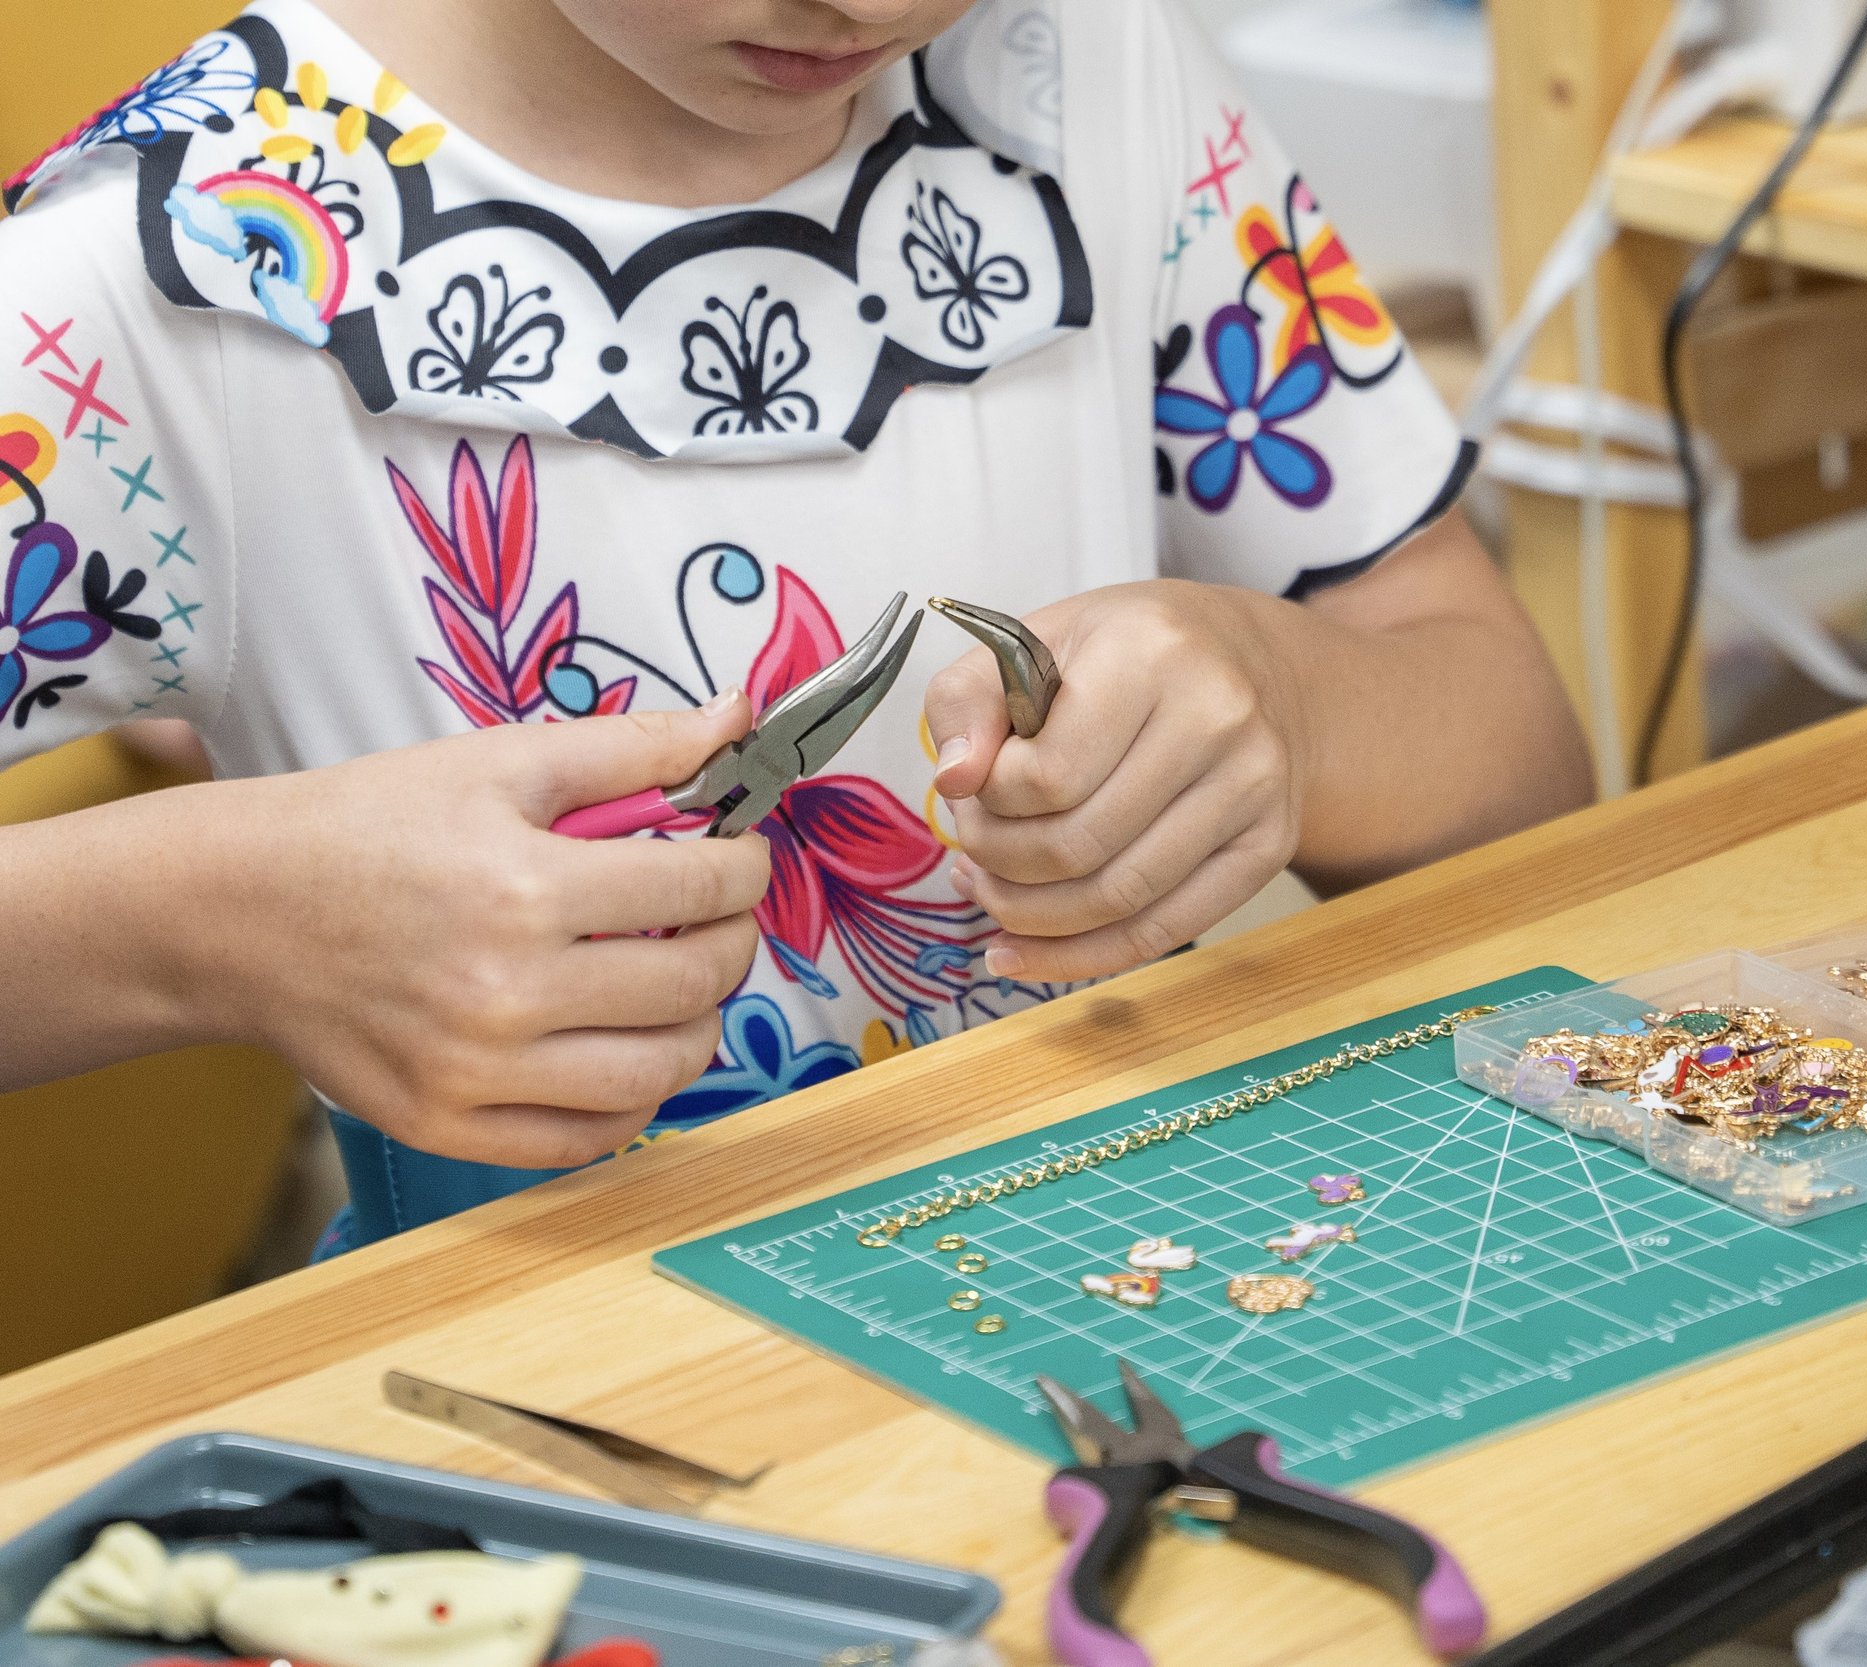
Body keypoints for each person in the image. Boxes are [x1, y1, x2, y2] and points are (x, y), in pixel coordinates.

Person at [0, 0, 1593, 1252]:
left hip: (1150, 1274)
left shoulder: (1093, 67)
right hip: (560, 1398)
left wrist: (1296, 712)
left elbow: (1519, 761)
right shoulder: (160, 270)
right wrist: (215, 918)